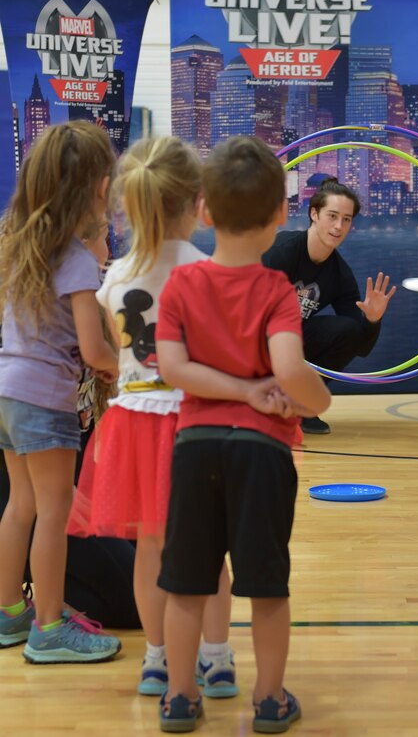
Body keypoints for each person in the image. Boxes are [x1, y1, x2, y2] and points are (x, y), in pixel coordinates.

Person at [67, 136, 279, 698]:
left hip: (131, 424)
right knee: (210, 550)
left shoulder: (113, 277)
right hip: (192, 423)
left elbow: (113, 357)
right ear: (197, 202)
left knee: (152, 550)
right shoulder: (206, 269)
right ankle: (217, 658)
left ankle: (157, 661)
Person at [155, 135, 331, 733]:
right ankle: (269, 700)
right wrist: (313, 397)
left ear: (203, 210)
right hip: (263, 453)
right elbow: (286, 369)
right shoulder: (277, 292)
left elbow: (174, 369)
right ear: (284, 214)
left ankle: (180, 698)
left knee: (185, 586)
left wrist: (233, 389)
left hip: (194, 447)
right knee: (266, 586)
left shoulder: (180, 286)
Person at [0, 120, 121, 662]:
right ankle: (49, 629)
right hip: (44, 401)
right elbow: (94, 351)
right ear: (96, 187)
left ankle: (10, 613)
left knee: (20, 506)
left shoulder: (20, 246)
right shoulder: (75, 259)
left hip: (6, 393)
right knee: (56, 512)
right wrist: (120, 369)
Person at [262, 177, 395, 434]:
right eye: (332, 216)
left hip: (289, 339)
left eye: (346, 219)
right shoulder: (281, 251)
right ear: (314, 213)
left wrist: (372, 320)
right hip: (253, 336)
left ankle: (303, 406)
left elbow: (360, 345)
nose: (338, 226)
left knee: (346, 329)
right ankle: (262, 399)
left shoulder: (340, 274)